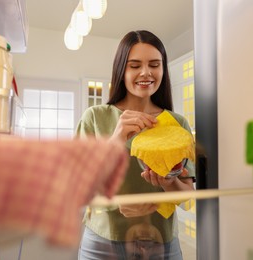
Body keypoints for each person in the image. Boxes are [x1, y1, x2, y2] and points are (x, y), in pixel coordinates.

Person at [76, 30, 195, 260]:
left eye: (154, 64)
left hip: (163, 243)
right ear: (122, 70)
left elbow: (186, 197)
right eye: (134, 65)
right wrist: (116, 138)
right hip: (103, 243)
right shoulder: (94, 117)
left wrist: (168, 183)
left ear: (163, 70)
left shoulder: (178, 124)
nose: (145, 73)